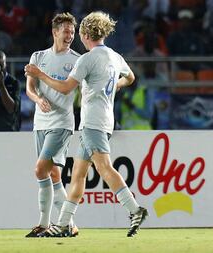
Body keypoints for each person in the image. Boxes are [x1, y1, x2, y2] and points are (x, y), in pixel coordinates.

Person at [25, 11, 148, 238]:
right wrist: (113, 86)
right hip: (104, 120)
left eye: (77, 31)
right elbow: (130, 77)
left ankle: (135, 209)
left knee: (104, 168)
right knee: (78, 175)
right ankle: (63, 224)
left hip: (93, 122)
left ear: (84, 34)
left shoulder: (87, 58)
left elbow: (64, 88)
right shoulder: (114, 56)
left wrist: (40, 75)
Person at [25, 12, 80, 238]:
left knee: (40, 169)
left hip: (62, 122)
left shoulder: (77, 60)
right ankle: (70, 224)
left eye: (72, 32)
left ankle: (43, 223)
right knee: (54, 175)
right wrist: (38, 99)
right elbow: (30, 88)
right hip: (41, 122)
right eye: (66, 31)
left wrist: (40, 75)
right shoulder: (38, 57)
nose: (70, 36)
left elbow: (67, 88)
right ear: (55, 32)